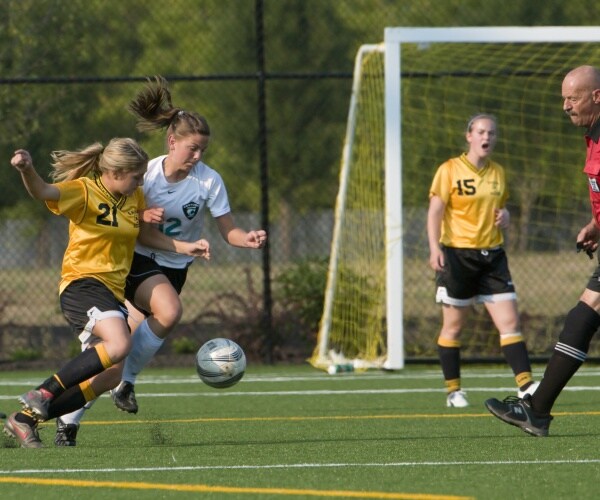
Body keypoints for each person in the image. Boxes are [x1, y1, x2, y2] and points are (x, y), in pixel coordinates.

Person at [54, 75, 267, 446]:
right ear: (172, 142)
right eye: (192, 149)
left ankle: (66, 420)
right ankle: (127, 386)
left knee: (109, 359)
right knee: (169, 312)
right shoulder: (145, 175)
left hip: (172, 269)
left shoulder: (208, 181)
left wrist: (244, 238)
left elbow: (227, 229)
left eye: (202, 151)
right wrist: (150, 224)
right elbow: (127, 226)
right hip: (135, 262)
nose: (198, 157)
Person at [3, 139, 210, 448]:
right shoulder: (84, 190)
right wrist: (27, 169)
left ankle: (25, 419)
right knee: (119, 343)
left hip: (111, 291)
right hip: (82, 282)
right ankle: (43, 392)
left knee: (112, 376)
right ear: (114, 172)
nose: (141, 182)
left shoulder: (132, 195)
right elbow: (43, 191)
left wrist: (184, 247)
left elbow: (143, 234)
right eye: (136, 176)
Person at [485, 65, 600, 436]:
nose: (565, 106)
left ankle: (537, 409)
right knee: (582, 315)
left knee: (583, 315)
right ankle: (537, 410)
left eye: (573, 98)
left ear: (597, 96)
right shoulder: (593, 134)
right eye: (563, 99)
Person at [427, 113, 538, 408]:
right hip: (457, 255)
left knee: (510, 322)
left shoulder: (498, 173)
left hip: (493, 256)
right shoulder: (449, 170)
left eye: (491, 133)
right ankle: (453, 391)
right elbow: (435, 211)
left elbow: (501, 209)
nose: (486, 137)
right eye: (480, 132)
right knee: (453, 326)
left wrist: (507, 216)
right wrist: (434, 247)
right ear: (469, 136)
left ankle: (527, 387)